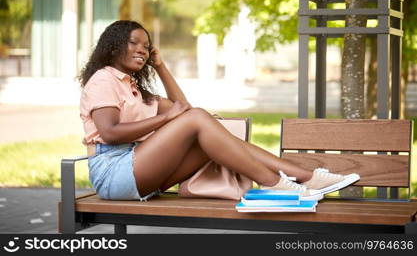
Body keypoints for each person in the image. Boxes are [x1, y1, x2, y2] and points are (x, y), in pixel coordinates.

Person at [79, 20, 359, 202]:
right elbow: (110, 132)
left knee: (207, 131)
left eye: (146, 45)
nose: (142, 49)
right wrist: (166, 117)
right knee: (200, 120)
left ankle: (302, 177)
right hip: (113, 173)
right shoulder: (104, 78)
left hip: (141, 174)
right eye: (134, 42)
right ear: (114, 45)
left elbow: (183, 108)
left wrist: (160, 66)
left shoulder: (133, 89)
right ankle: (277, 182)